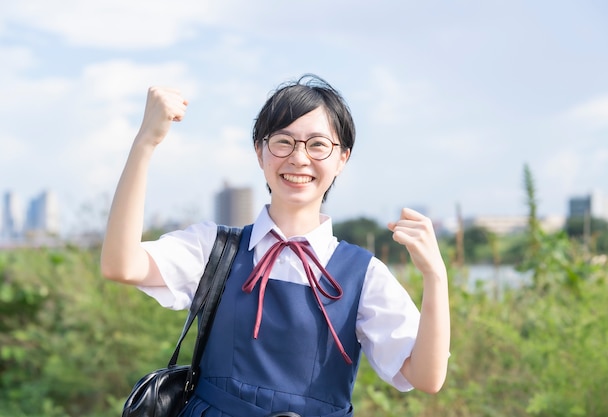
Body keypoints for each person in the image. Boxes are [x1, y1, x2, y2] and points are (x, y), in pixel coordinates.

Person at [101, 74, 450, 417]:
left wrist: (435, 277)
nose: (299, 158)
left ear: (342, 158)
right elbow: (120, 265)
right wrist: (146, 142)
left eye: (317, 145)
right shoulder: (216, 249)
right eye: (283, 141)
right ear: (260, 152)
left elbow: (425, 376)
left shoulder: (364, 274)